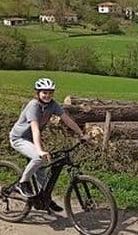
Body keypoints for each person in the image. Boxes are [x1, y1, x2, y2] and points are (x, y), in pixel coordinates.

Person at [9, 78, 86, 211]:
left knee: (42, 168)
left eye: (50, 92)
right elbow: (35, 129)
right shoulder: (33, 105)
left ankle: (44, 198)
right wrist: (40, 151)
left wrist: (81, 134)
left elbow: (67, 120)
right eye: (44, 92)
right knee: (39, 158)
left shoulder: (52, 105)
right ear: (37, 93)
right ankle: (22, 183)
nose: (48, 95)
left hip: (32, 139)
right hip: (19, 138)